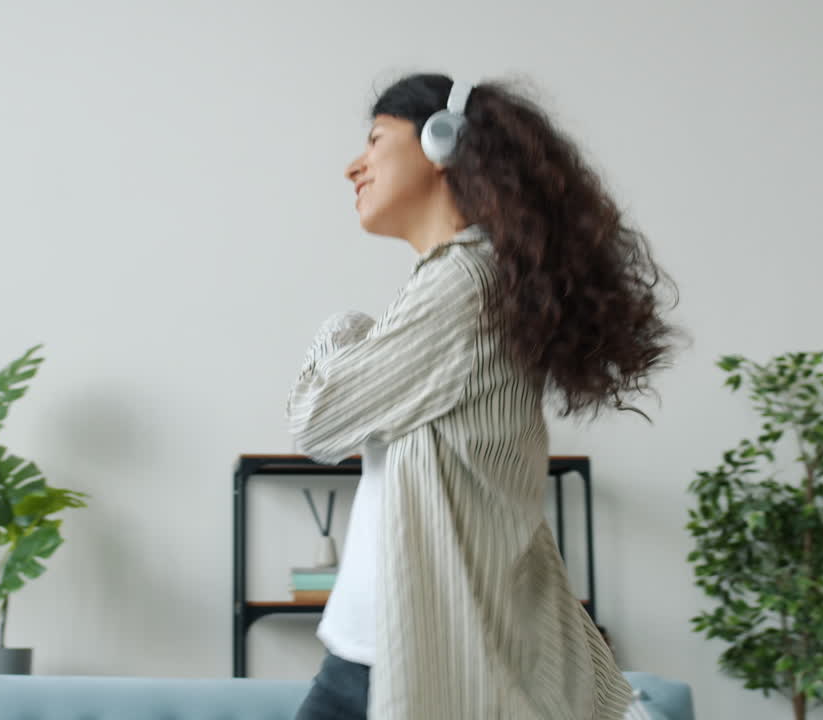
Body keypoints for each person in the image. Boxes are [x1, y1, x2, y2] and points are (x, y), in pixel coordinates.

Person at [285, 72, 678, 720]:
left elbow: (317, 424)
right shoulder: (460, 283)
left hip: (412, 659)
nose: (354, 165)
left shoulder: (466, 286)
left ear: (443, 144)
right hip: (372, 655)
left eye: (376, 139)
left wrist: (343, 331)